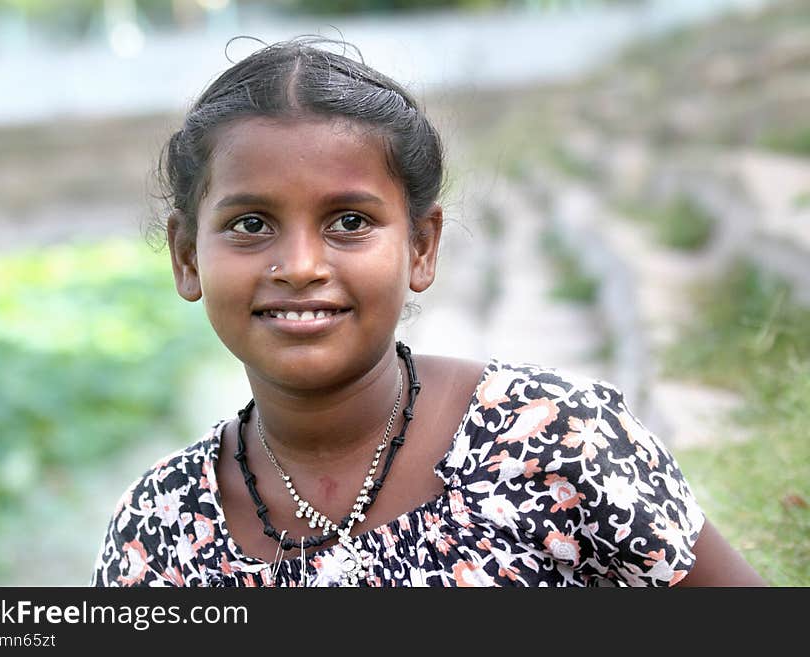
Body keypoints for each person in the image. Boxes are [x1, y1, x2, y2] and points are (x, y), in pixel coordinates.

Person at [90, 37, 764, 587]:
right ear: (186, 256)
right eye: (251, 223)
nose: (298, 265)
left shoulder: (556, 442)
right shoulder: (158, 532)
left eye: (349, 221)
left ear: (420, 245)